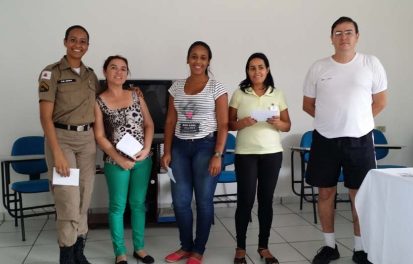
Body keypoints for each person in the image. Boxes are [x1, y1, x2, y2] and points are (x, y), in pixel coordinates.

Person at [302, 17, 387, 264]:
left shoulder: (371, 63)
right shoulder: (318, 67)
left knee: (358, 195)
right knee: (325, 193)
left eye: (348, 32)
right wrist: (333, 120)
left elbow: (380, 101)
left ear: (357, 36)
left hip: (360, 140)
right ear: (331, 38)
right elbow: (308, 105)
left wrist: (356, 120)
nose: (343, 37)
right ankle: (329, 246)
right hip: (325, 140)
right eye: (338, 33)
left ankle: (360, 248)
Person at [161, 41, 228, 264]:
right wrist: (167, 151)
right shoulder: (176, 87)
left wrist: (218, 154)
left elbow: (224, 124)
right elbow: (170, 120)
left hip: (206, 147)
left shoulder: (216, 88)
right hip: (180, 147)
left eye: (203, 57)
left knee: (203, 201)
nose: (198, 61)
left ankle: (198, 250)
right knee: (180, 201)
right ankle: (185, 247)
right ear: (187, 59)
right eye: (194, 56)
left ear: (208, 61)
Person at [38, 25, 99, 264]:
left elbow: (104, 103)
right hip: (61, 139)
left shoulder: (91, 75)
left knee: (84, 198)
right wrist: (57, 153)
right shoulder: (50, 73)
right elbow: (45, 117)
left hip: (87, 141)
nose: (78, 45)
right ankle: (66, 254)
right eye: (73, 40)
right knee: (67, 199)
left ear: (87, 45)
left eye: (83, 41)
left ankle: (78, 252)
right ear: (65, 42)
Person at [229, 53, 291, 264]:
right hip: (246, 154)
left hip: (272, 154)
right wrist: (243, 122)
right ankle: (240, 248)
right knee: (245, 202)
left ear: (268, 70)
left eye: (260, 67)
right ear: (247, 71)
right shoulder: (239, 93)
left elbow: (287, 125)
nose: (257, 71)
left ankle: (264, 246)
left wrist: (277, 123)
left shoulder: (277, 94)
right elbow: (229, 124)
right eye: (252, 68)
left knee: (266, 202)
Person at [94, 55, 155, 264]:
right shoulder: (99, 101)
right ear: (105, 71)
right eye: (113, 68)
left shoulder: (136, 96)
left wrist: (146, 149)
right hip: (115, 162)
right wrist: (119, 159)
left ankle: (139, 248)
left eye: (123, 68)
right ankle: (119, 252)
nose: (118, 72)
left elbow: (149, 125)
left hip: (142, 159)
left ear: (127, 73)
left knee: (138, 204)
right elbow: (100, 136)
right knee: (117, 207)